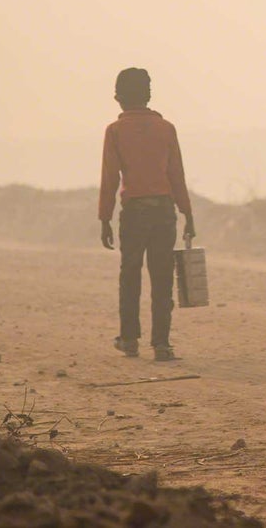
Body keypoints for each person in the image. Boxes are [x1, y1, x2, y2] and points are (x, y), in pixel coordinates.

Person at [97, 67, 195, 361]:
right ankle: (162, 344)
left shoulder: (115, 131)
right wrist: (187, 213)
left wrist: (105, 218)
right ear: (148, 95)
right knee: (163, 277)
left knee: (130, 275)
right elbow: (176, 175)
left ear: (118, 97)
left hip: (134, 213)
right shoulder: (166, 129)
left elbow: (110, 179)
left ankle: (129, 340)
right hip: (165, 211)